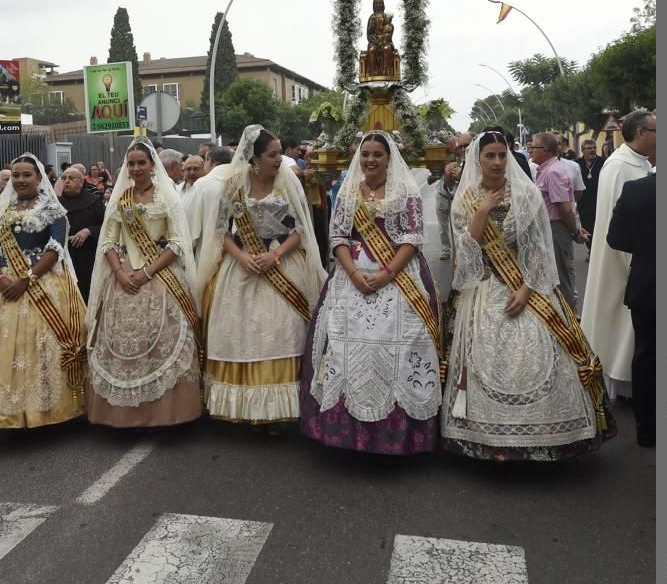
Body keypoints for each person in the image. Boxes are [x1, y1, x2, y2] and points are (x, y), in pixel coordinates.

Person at [441, 132, 615, 461]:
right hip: (484, 288)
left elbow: (538, 249)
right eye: (489, 156)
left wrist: (527, 287)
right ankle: (485, 437)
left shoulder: (527, 194)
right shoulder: (465, 198)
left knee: (540, 357)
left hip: (527, 286)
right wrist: (481, 213)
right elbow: (465, 256)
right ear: (477, 160)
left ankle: (547, 434)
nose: (496, 162)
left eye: (501, 155)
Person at [300, 133, 443, 454]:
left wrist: (386, 273)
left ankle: (398, 433)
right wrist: (352, 273)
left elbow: (412, 239)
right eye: (365, 154)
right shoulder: (348, 192)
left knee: (400, 347)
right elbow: (337, 236)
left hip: (398, 276)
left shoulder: (405, 192)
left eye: (378, 154)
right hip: (352, 276)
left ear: (389, 158)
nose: (371, 160)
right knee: (341, 346)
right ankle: (344, 431)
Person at [197, 125, 325, 427]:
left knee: (283, 332)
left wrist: (275, 255)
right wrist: (241, 256)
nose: (279, 159)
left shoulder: (288, 183)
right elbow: (220, 231)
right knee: (240, 334)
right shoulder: (232, 186)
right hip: (242, 266)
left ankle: (280, 411)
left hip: (281, 263)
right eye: (273, 154)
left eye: (280, 153)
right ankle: (245, 408)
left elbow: (300, 231)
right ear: (254, 158)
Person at [0, 154, 87, 429]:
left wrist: (26, 279)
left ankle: (45, 408)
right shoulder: (3, 209)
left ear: (38, 178)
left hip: (42, 281)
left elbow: (55, 249)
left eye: (27, 175)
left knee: (39, 345)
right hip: (2, 283)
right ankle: (5, 410)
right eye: (16, 176)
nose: (21, 180)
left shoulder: (53, 210)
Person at [85, 140, 201, 428]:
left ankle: (164, 412)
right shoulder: (120, 199)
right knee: (121, 344)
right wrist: (120, 273)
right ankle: (124, 414)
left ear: (152, 165)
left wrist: (148, 272)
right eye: (132, 163)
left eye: (142, 163)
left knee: (161, 341)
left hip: (161, 276)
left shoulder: (167, 197)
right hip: (123, 277)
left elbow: (176, 242)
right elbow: (109, 241)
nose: (136, 168)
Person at [582, 109, 656, 400]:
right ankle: (627, 387)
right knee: (629, 332)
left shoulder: (635, 164)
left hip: (638, 262)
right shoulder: (621, 167)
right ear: (641, 134)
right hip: (626, 264)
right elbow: (624, 229)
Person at [607, 173, 656, 446]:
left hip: (648, 282)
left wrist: (647, 250)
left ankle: (647, 429)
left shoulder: (635, 190)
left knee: (647, 355)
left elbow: (615, 238)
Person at [530, 132, 585, 311]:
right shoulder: (545, 169)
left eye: (534, 147)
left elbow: (565, 208)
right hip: (549, 228)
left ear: (544, 150)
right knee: (552, 276)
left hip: (556, 229)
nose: (530, 150)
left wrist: (575, 232)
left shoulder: (553, 172)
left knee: (561, 278)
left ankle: (569, 321)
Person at [58, 166, 104, 302]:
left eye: (71, 178)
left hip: (87, 256)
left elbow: (105, 225)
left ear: (81, 181)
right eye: (64, 178)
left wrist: (88, 231)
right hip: (64, 256)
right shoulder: (57, 204)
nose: (66, 181)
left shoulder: (94, 201)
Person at [576, 138, 604, 249]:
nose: (592, 150)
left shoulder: (603, 162)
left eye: (594, 147)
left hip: (600, 202)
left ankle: (598, 251)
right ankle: (592, 250)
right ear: (583, 150)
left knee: (601, 229)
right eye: (588, 148)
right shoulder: (577, 164)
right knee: (588, 228)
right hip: (584, 203)